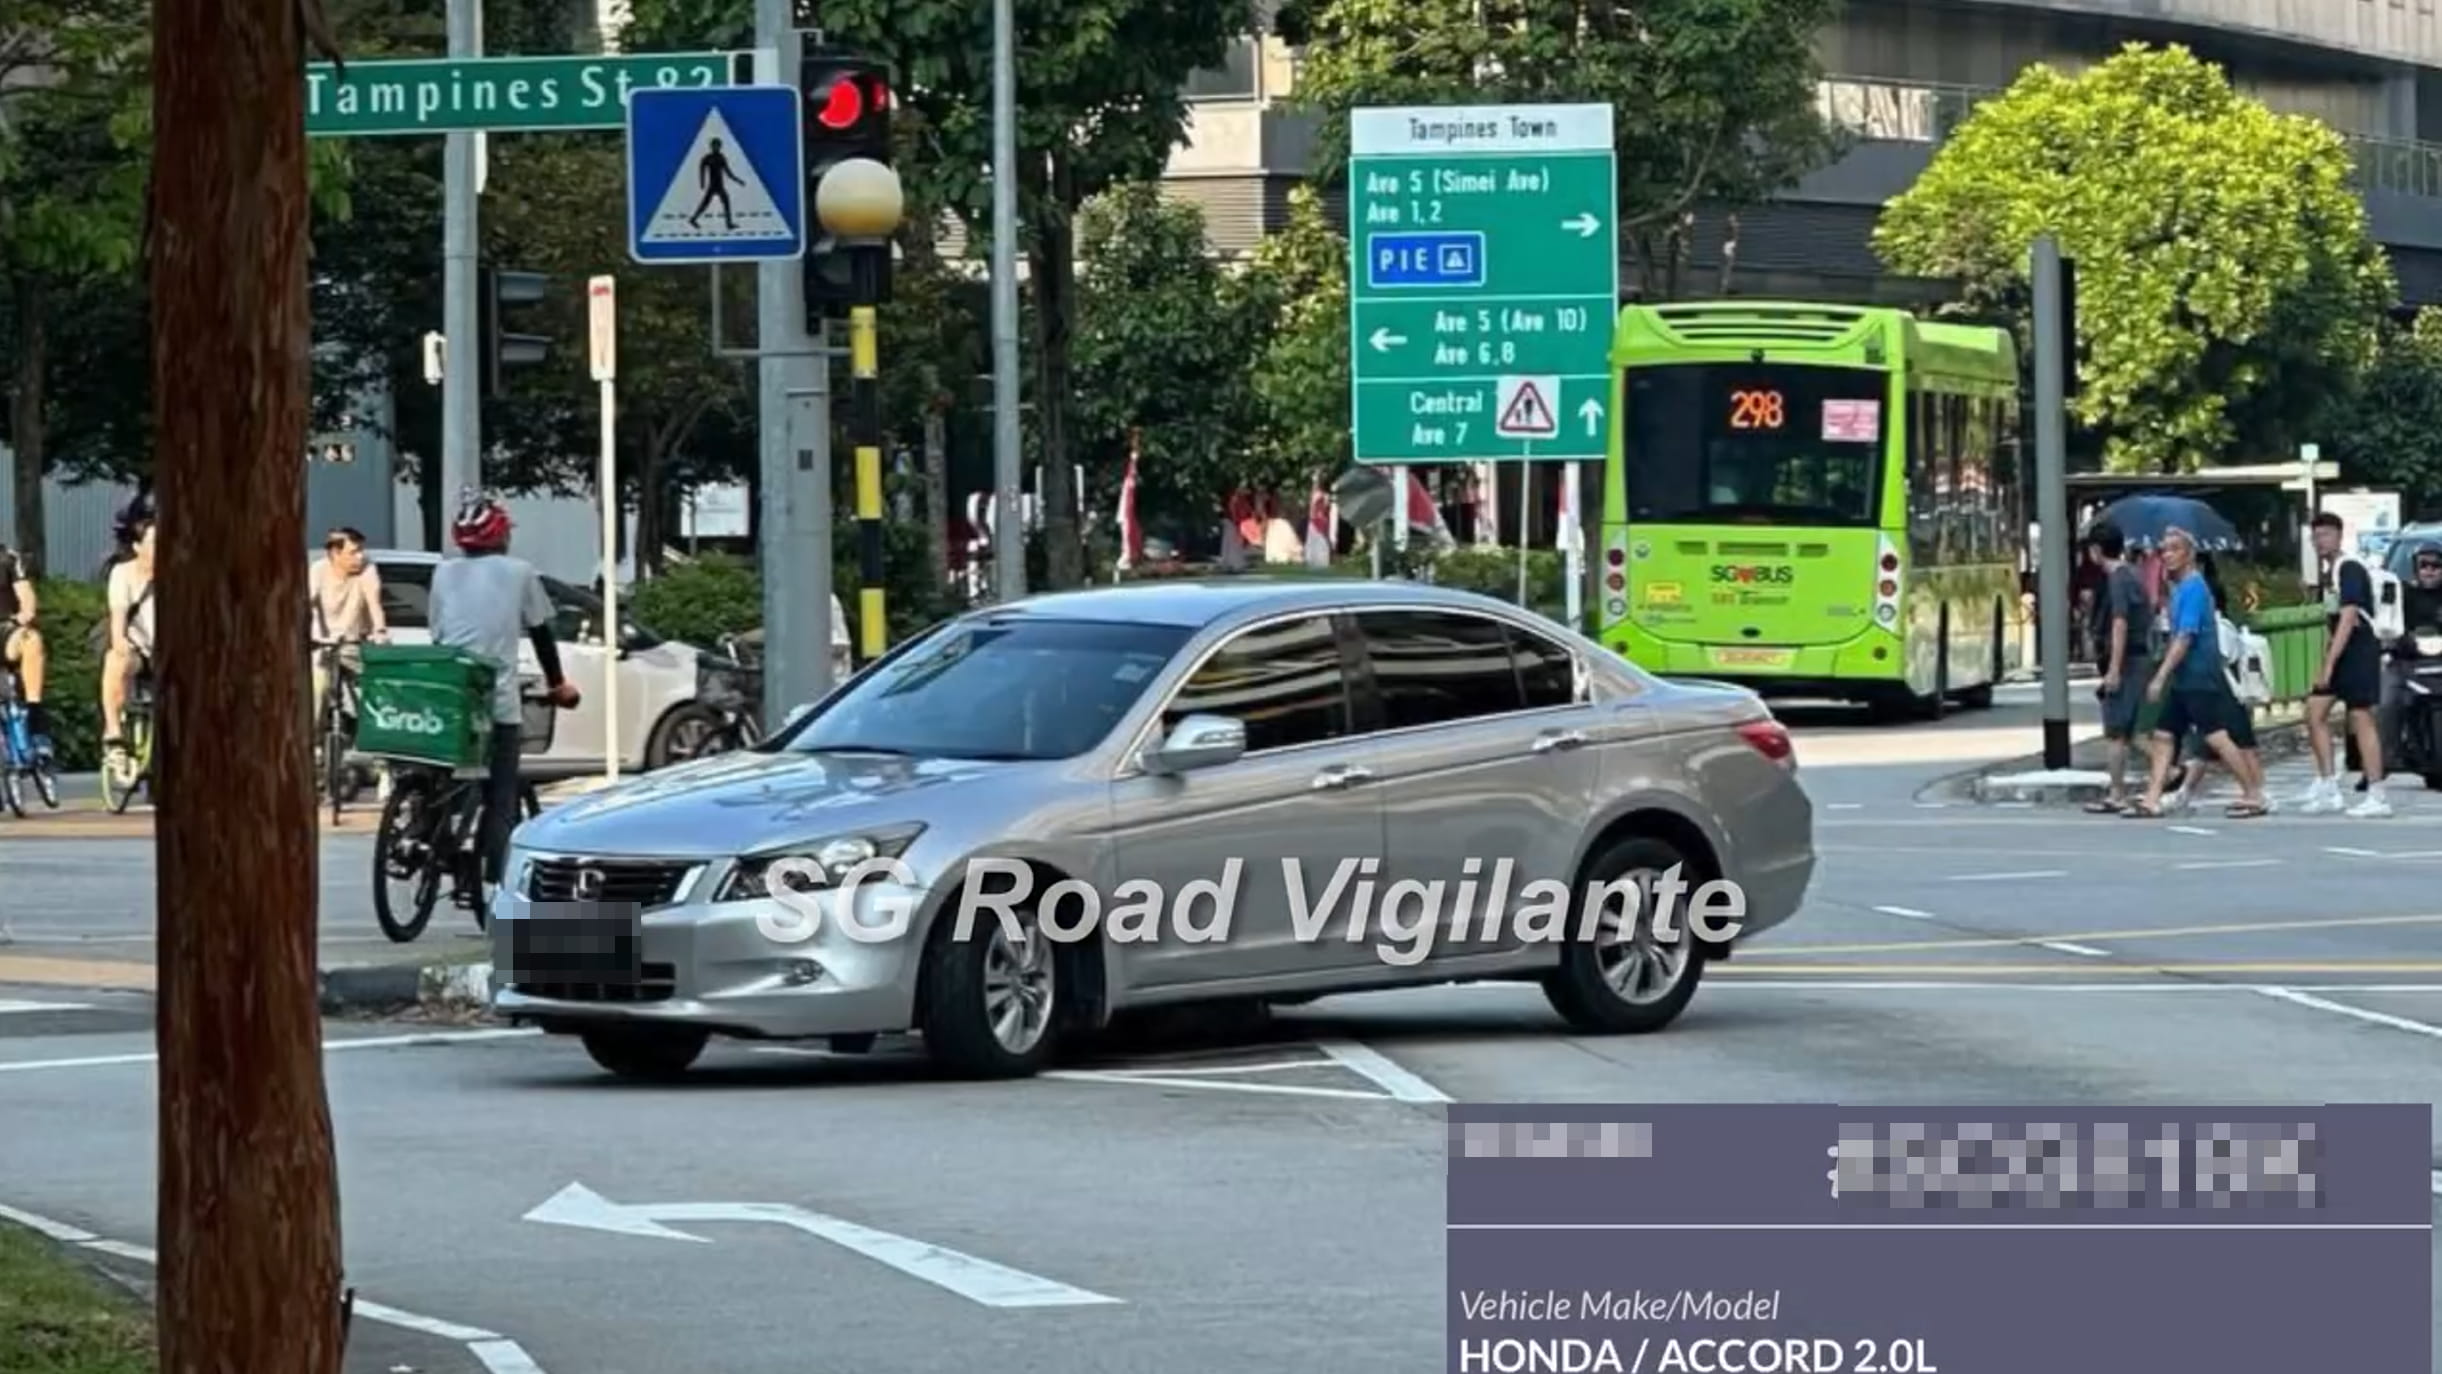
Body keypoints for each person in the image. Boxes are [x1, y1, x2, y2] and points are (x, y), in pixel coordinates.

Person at [427, 492, 580, 906]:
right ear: (499, 535)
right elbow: (542, 634)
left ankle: (428, 838)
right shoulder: (520, 572)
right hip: (495, 701)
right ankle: (495, 885)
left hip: (447, 696)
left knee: (445, 777)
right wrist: (559, 683)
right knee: (502, 796)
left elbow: (440, 634)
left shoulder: (442, 573)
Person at [2129, 527, 2267, 819]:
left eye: (2175, 549)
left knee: (2217, 737)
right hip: (2185, 679)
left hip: (2198, 676)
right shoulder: (2180, 589)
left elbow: (2185, 637)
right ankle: (2153, 798)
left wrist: (2161, 675)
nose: (2168, 555)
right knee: (2164, 735)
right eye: (2164, 549)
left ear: (2189, 554)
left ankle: (2253, 793)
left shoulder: (2193, 588)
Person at [2296, 511, 2390, 816]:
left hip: (2358, 648)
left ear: (2338, 535)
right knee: (2314, 712)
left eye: (2325, 535)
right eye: (2316, 536)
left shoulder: (2349, 567)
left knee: (2360, 717)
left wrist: (2329, 663)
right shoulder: (2331, 571)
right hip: (2342, 648)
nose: (2320, 541)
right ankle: (2328, 785)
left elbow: (2349, 617)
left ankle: (2377, 793)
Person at [2082, 522, 2155, 813]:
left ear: (2097, 550)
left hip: (2126, 661)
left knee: (2116, 731)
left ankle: (2118, 792)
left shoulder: (2117, 580)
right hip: (2138, 658)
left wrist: (2113, 668)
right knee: (2130, 731)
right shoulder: (2133, 576)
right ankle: (2166, 771)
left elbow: (2119, 622)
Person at [2378, 542, 2442, 773]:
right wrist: (2390, 640)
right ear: (2415, 569)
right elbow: (2386, 621)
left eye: (2436, 565)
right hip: (2407, 660)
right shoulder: (2402, 594)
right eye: (2424, 565)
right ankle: (2388, 756)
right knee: (2387, 701)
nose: (2430, 570)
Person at [100, 516, 158, 765]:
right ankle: (113, 733)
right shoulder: (122, 574)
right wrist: (121, 644)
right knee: (115, 660)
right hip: (142, 651)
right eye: (154, 542)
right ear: (137, 547)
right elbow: (118, 620)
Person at [0, 543, 51, 756]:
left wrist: (26, 613)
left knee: (32, 640)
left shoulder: (8, 559)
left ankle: (35, 714)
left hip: (5, 630)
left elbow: (26, 595)